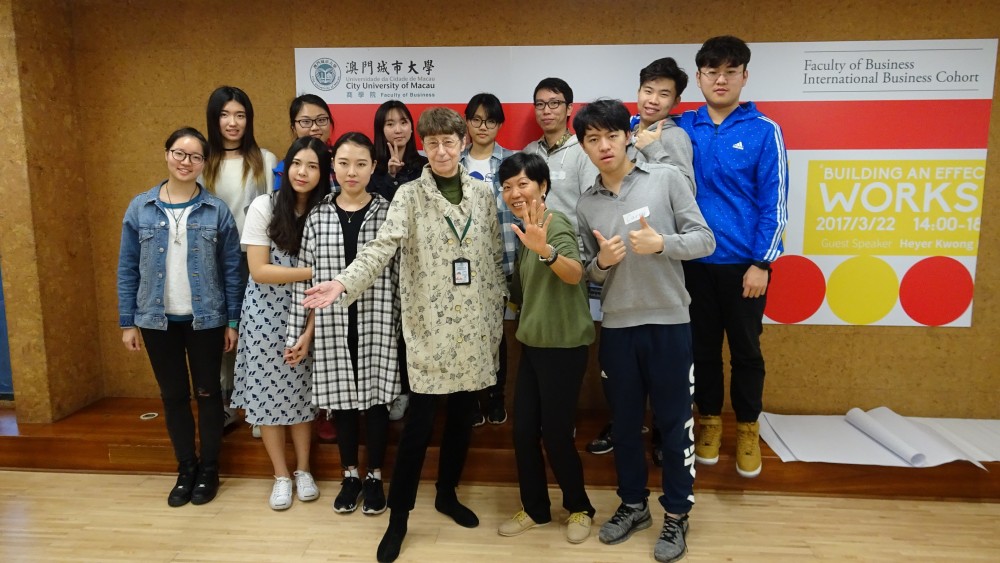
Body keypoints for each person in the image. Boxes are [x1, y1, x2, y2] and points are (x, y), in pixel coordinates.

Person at [300, 107, 506, 563]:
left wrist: (495, 322)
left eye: (449, 142)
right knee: (418, 427)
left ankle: (448, 494)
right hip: (429, 330)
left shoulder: (482, 194)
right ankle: (399, 520)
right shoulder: (409, 196)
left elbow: (492, 260)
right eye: (432, 143)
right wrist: (343, 282)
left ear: (462, 143)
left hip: (473, 329)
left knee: (460, 420)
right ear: (424, 148)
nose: (442, 150)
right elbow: (382, 247)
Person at [574, 100, 715, 563]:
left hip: (670, 323)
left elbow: (705, 239)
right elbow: (590, 272)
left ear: (627, 135)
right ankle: (633, 505)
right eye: (592, 139)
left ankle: (676, 514)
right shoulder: (587, 202)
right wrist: (601, 263)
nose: (603, 146)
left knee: (675, 426)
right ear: (584, 147)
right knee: (627, 429)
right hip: (617, 327)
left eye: (610, 135)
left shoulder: (666, 179)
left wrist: (663, 244)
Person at [676, 35, 789, 479]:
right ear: (699, 77)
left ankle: (746, 428)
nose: (720, 79)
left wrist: (762, 262)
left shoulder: (764, 130)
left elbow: (774, 204)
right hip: (691, 264)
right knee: (701, 351)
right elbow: (629, 131)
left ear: (744, 75)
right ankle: (707, 422)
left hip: (746, 268)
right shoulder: (683, 127)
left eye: (729, 71)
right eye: (710, 71)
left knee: (745, 352)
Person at [117, 127, 242, 507]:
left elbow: (232, 269)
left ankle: (209, 469)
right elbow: (128, 268)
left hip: (206, 319)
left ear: (205, 163)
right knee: (173, 397)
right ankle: (185, 467)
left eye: (195, 157)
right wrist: (128, 321)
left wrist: (232, 322)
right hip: (157, 320)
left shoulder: (215, 209)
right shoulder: (140, 207)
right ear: (167, 155)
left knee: (208, 395)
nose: (186, 162)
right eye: (179, 153)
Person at [286, 132, 402, 516]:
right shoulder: (318, 215)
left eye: (361, 164)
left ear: (374, 167)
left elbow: (401, 274)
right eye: (344, 163)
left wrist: (403, 328)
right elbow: (306, 281)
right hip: (333, 325)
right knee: (343, 405)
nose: (352, 172)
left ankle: (374, 477)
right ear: (333, 166)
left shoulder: (388, 212)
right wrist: (301, 333)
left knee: (378, 402)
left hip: (379, 319)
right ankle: (350, 473)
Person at [589, 57, 697, 461]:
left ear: (676, 100)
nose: (653, 100)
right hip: (622, 280)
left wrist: (654, 154)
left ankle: (662, 443)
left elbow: (684, 191)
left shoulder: (674, 137)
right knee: (625, 387)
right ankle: (628, 429)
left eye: (664, 94)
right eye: (648, 91)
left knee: (669, 394)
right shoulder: (625, 131)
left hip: (659, 271)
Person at [495, 153, 596, 544]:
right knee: (523, 433)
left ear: (543, 186)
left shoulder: (554, 225)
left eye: (522, 184)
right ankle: (536, 509)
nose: (514, 193)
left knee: (555, 434)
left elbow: (574, 274)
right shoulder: (525, 231)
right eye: (507, 187)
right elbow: (522, 291)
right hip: (534, 344)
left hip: (564, 346)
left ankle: (580, 508)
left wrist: (546, 250)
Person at [231, 136, 331, 510]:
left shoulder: (327, 211)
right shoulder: (264, 206)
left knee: (301, 395)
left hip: (311, 312)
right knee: (265, 395)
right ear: (286, 168)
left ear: (324, 174)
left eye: (312, 166)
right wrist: (316, 271)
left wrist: (310, 330)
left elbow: (329, 289)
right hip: (264, 316)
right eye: (296, 164)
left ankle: (304, 469)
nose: (302, 173)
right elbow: (259, 270)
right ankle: (280, 475)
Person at [201, 86, 278, 434]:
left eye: (240, 115)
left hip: (256, 259)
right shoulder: (203, 160)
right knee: (222, 335)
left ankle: (262, 407)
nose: (233, 123)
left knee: (258, 334)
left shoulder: (265, 158)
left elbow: (272, 212)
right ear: (214, 120)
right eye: (225, 115)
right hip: (214, 261)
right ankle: (227, 405)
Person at [271, 94, 339, 443]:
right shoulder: (275, 194)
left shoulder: (338, 185)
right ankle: (273, 414)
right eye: (305, 121)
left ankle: (327, 410)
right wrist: (317, 273)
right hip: (279, 293)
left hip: (331, 294)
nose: (314, 126)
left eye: (321, 120)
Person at [369, 100, 428, 422]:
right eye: (390, 123)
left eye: (403, 122)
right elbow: (378, 215)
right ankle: (386, 390)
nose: (397, 129)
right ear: (381, 130)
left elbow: (417, 212)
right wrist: (388, 176)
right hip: (381, 266)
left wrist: (400, 177)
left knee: (412, 330)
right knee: (384, 329)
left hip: (416, 264)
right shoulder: (371, 168)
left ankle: (408, 391)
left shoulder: (423, 165)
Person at [459, 92, 516, 426]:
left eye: (490, 120)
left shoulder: (511, 162)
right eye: (477, 119)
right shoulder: (453, 162)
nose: (483, 126)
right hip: (461, 267)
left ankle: (495, 398)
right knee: (464, 333)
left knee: (495, 335)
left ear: (498, 124)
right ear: (467, 122)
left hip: (501, 263)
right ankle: (470, 400)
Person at [522, 77, 599, 234]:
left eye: (554, 103)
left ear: (569, 108)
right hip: (534, 244)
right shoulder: (528, 152)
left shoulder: (583, 151)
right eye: (540, 104)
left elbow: (594, 207)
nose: (546, 110)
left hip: (572, 247)